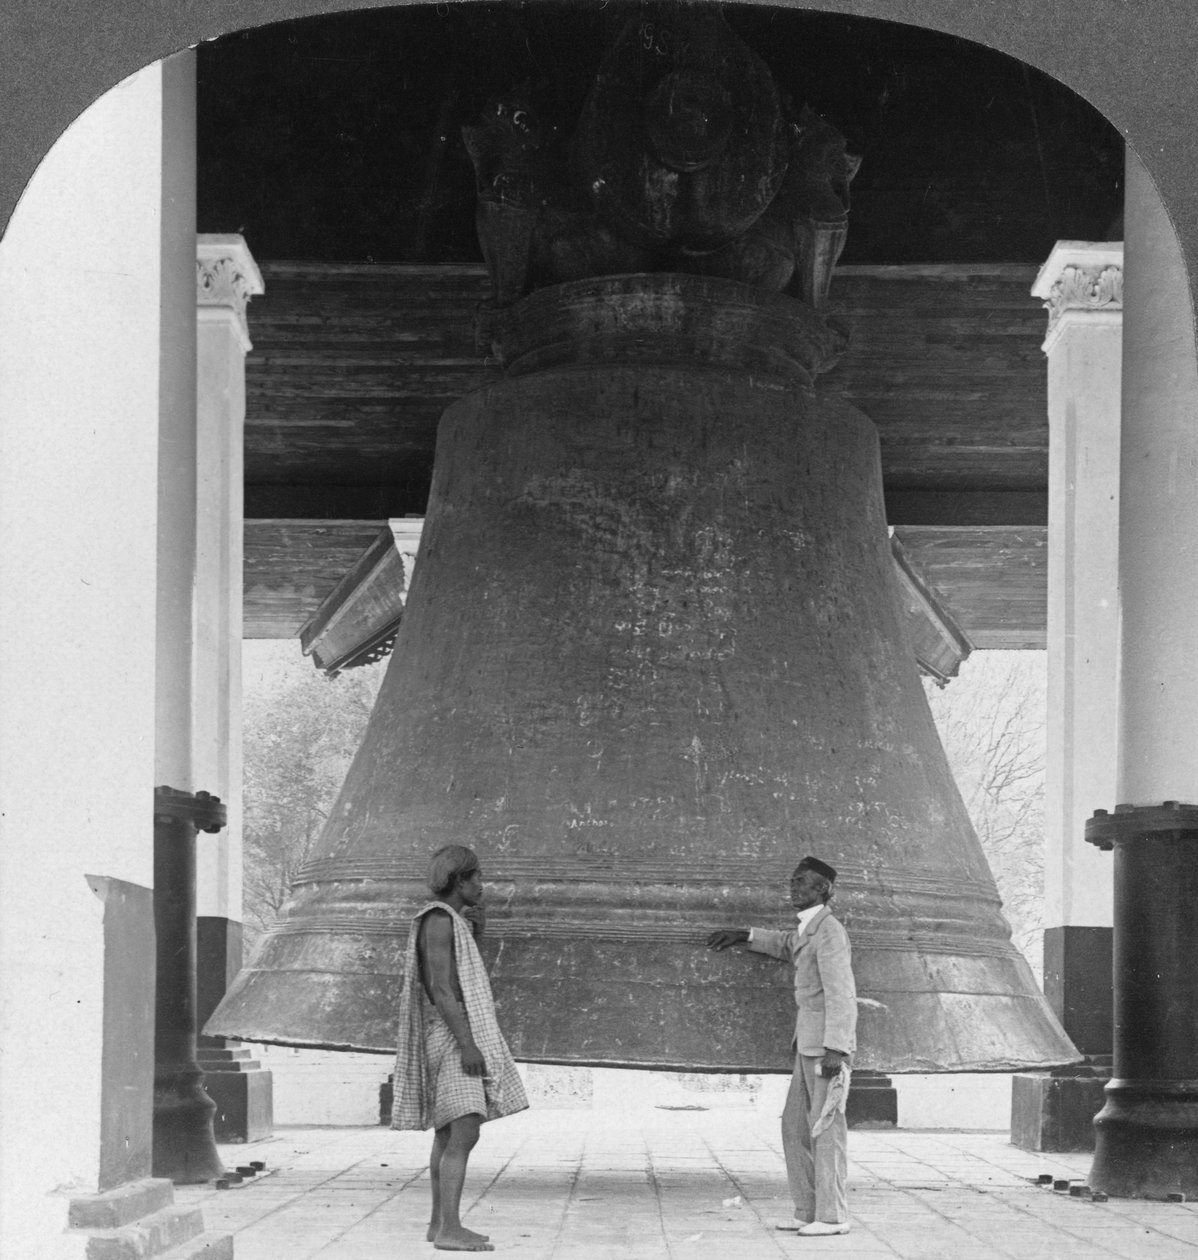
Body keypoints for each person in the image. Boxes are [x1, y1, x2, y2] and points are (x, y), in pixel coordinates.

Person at [706, 855, 857, 1237]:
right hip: (807, 1044)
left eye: (802, 882)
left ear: (822, 889)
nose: (793, 887)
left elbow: (842, 993)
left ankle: (833, 1217)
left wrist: (836, 1048)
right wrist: (746, 935)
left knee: (825, 1129)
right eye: (792, 881)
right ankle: (807, 1210)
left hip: (825, 1048)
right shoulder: (811, 929)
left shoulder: (831, 931)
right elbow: (789, 945)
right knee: (795, 1128)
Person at [392, 845, 528, 1252]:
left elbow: (456, 973)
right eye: (478, 878)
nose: (482, 886)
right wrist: (468, 1044)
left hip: (454, 1031)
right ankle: (450, 1228)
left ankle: (439, 1224)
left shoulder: (451, 921)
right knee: (465, 1130)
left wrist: (475, 931)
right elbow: (441, 988)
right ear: (458, 880)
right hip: (453, 1035)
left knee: (449, 1131)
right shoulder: (437, 920)